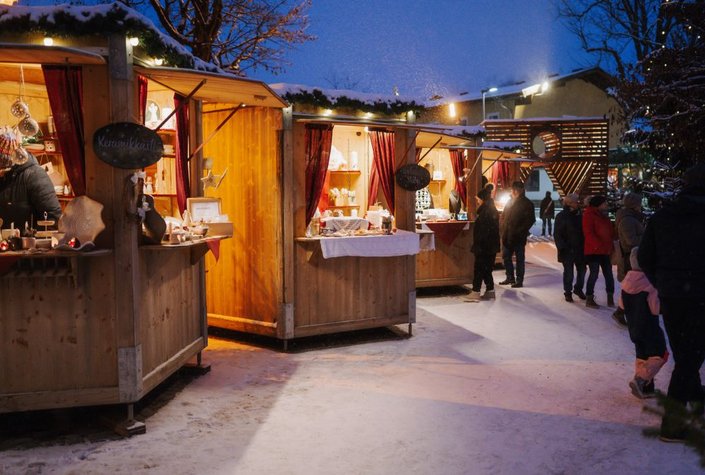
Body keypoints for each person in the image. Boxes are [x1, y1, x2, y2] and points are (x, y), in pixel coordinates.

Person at [638, 163, 705, 443]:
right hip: (700, 296)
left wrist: (664, 283)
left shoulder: (663, 217)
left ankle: (695, 403)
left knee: (686, 356)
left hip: (674, 298)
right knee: (689, 360)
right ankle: (673, 425)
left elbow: (644, 258)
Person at [618, 247, 668, 400]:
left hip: (634, 328)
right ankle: (640, 380)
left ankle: (646, 388)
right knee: (660, 355)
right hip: (649, 327)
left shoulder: (626, 282)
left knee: (642, 357)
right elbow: (655, 309)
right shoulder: (650, 285)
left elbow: (622, 305)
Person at [0, 132, 61, 229]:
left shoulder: (35, 175)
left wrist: (34, 242)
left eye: (3, 168)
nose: (1, 172)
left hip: (27, 242)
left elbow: (53, 218)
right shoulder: (3, 178)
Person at [612, 192, 645, 326]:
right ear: (634, 205)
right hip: (630, 258)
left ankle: (624, 311)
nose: (641, 205)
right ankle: (621, 311)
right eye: (639, 203)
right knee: (631, 286)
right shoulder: (627, 220)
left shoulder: (631, 217)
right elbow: (630, 240)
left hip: (633, 256)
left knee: (632, 286)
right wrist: (648, 239)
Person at [465, 187, 500, 302]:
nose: (478, 201)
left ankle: (476, 291)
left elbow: (483, 232)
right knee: (486, 269)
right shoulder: (491, 210)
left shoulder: (485, 212)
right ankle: (490, 290)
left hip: (484, 246)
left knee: (479, 268)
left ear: (483, 199)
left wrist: (478, 246)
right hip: (491, 246)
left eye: (479, 199)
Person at [499, 181, 535, 288]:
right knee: (506, 257)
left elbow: (530, 220)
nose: (513, 191)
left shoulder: (527, 203)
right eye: (513, 189)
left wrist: (520, 230)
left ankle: (519, 280)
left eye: (516, 189)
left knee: (519, 259)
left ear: (521, 190)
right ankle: (510, 277)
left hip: (518, 236)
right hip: (507, 234)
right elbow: (504, 215)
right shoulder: (509, 202)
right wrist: (503, 228)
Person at [582, 195, 615, 309]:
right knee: (594, 274)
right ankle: (589, 297)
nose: (606, 205)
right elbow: (588, 233)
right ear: (598, 204)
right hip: (593, 251)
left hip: (605, 250)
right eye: (604, 203)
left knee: (609, 275)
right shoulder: (589, 215)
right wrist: (598, 245)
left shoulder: (604, 216)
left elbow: (609, 232)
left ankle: (610, 297)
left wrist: (610, 244)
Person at [553, 193, 586, 302]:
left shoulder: (579, 215)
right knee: (569, 272)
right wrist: (563, 247)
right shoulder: (562, 216)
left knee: (582, 270)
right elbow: (557, 234)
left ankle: (578, 288)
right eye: (576, 201)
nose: (578, 203)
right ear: (570, 203)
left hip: (580, 248)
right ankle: (568, 292)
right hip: (568, 250)